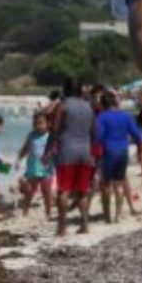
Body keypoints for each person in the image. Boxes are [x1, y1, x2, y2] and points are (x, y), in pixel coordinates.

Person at [49, 81, 98, 236]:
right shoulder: (88, 107)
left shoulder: (62, 106)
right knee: (82, 191)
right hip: (85, 151)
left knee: (64, 190)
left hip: (67, 151)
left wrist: (48, 150)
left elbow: (55, 130)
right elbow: (93, 131)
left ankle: (62, 227)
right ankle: (85, 225)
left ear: (65, 91)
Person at [95, 92, 142, 223]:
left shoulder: (102, 117)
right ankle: (117, 216)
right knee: (119, 183)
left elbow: (98, 137)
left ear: (103, 104)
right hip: (123, 151)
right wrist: (140, 150)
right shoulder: (126, 116)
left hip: (109, 152)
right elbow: (137, 135)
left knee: (106, 185)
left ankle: (107, 217)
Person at [16, 113, 56, 219]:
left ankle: (48, 213)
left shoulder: (50, 136)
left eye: (41, 123)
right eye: (36, 123)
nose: (38, 126)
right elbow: (25, 149)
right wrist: (18, 160)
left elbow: (56, 151)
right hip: (33, 169)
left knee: (46, 192)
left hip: (47, 169)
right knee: (29, 191)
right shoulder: (31, 135)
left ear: (48, 124)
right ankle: (25, 212)